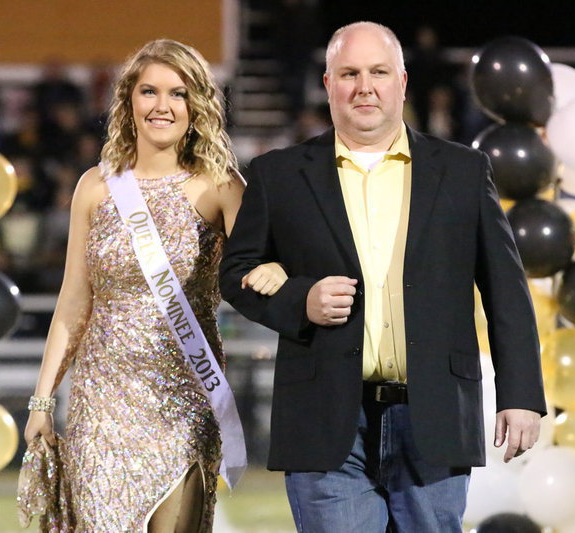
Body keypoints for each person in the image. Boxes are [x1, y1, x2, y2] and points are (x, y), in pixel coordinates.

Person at [220, 22, 546, 532]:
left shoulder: (463, 171)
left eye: (378, 72)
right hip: (325, 419)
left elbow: (506, 289)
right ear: (328, 84)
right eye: (349, 73)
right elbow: (236, 272)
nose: (364, 86)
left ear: (402, 81)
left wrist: (521, 394)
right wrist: (300, 300)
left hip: (434, 415)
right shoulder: (277, 175)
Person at [21, 39, 270, 533]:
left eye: (178, 93)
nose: (162, 106)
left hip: (184, 398)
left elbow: (261, 265)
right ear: (128, 101)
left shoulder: (221, 186)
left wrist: (278, 269)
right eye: (149, 91)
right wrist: (42, 400)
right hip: (101, 405)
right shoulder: (94, 185)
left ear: (196, 105)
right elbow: (74, 301)